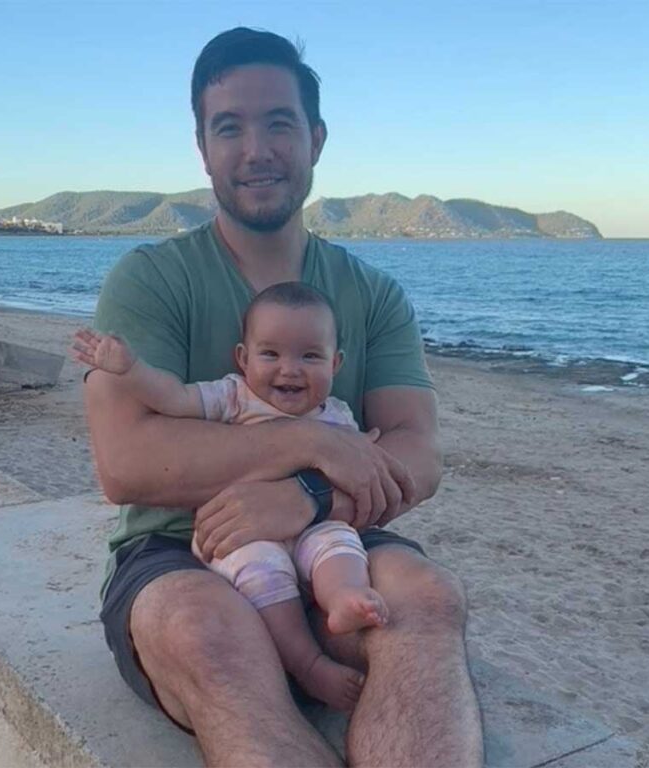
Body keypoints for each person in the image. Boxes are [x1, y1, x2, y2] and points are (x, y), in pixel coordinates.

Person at [85, 26, 483, 766]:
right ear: (202, 148)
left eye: (279, 123)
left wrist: (307, 497)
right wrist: (313, 443)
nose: (255, 149)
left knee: (426, 601)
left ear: (316, 138)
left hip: (336, 538)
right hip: (176, 548)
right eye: (228, 127)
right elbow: (128, 461)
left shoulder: (372, 292)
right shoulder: (149, 280)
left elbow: (417, 453)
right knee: (211, 637)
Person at [74, 282, 389, 711]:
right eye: (271, 354)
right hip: (240, 533)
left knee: (340, 542)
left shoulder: (337, 414)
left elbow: (360, 462)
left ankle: (345, 600)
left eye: (310, 356)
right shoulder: (234, 396)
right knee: (264, 573)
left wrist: (367, 450)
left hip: (310, 524)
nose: (290, 369)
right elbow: (173, 399)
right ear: (243, 359)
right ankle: (308, 664)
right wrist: (129, 370)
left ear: (336, 364)